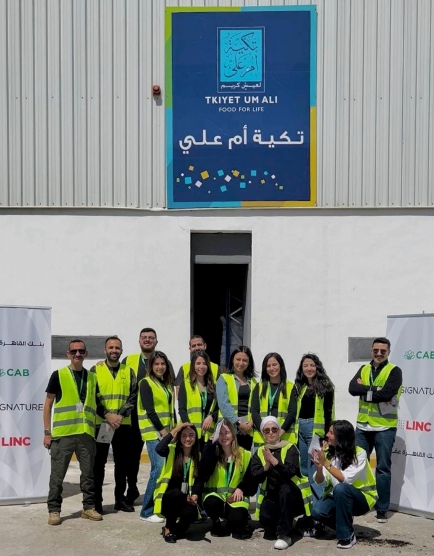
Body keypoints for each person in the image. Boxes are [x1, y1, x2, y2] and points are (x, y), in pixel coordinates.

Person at [43, 339, 102, 525]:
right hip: (63, 435)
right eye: (74, 351)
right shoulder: (58, 375)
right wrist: (47, 432)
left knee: (88, 475)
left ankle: (88, 508)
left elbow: (96, 405)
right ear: (68, 354)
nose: (78, 354)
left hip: (86, 434)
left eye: (81, 351)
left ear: (86, 354)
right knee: (57, 476)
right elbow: (48, 404)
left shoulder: (92, 377)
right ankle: (54, 510)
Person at [348, 337, 402, 523]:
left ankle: (382, 509)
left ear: (388, 352)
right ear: (371, 350)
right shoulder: (364, 368)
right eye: (376, 350)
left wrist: (364, 390)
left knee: (382, 468)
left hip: (384, 427)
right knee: (355, 464)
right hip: (363, 425)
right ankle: (357, 503)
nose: (379, 354)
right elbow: (352, 388)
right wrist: (374, 390)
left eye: (383, 351)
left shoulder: (394, 370)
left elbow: (387, 393)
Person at [311, 420, 378, 549]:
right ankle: (346, 526)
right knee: (317, 511)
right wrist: (319, 469)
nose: (327, 435)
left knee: (341, 489)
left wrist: (326, 464)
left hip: (362, 499)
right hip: (338, 495)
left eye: (331, 433)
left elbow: (345, 480)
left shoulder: (359, 453)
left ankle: (346, 536)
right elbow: (320, 482)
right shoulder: (328, 452)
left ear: (341, 437)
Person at [249, 416, 313, 550]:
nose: (271, 433)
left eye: (274, 429)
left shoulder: (290, 448)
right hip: (274, 497)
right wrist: (266, 466)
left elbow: (290, 471)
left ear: (279, 431)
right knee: (267, 527)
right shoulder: (260, 452)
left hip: (293, 497)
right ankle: (287, 523)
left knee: (286, 489)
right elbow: (255, 477)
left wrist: (274, 462)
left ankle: (285, 535)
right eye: (267, 431)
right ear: (263, 434)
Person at [92, 336, 138, 514]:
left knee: (122, 464)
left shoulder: (129, 371)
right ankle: (97, 502)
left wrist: (119, 416)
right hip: (102, 424)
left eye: (117, 348)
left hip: (122, 425)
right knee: (99, 464)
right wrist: (106, 414)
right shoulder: (95, 370)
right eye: (111, 347)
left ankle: (120, 499)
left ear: (121, 350)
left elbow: (133, 396)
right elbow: (91, 397)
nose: (114, 350)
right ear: (105, 350)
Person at [193, 420, 252, 540]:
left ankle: (232, 521)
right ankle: (216, 522)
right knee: (212, 503)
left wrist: (241, 488)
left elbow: (251, 478)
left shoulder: (244, 454)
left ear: (233, 434)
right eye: (220, 433)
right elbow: (202, 472)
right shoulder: (212, 453)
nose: (224, 437)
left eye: (227, 433)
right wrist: (210, 444)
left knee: (238, 518)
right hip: (216, 497)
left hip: (235, 498)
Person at [120, 327, 159, 506]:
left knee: (157, 459)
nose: (147, 340)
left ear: (156, 341)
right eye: (144, 337)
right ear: (139, 341)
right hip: (134, 419)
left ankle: (157, 492)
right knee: (132, 458)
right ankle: (132, 489)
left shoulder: (162, 361)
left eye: (151, 337)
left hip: (155, 419)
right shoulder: (129, 360)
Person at [138, 351, 176, 523]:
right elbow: (150, 410)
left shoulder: (165, 384)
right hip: (154, 433)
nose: (160, 367)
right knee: (158, 469)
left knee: (164, 471)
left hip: (166, 433)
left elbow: (170, 410)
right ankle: (146, 511)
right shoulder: (146, 383)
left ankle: (159, 506)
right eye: (156, 364)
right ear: (151, 366)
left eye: (163, 364)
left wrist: (174, 430)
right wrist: (162, 431)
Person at [294, 354, 335, 500]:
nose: (309, 368)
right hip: (300, 430)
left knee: (315, 466)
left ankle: (319, 503)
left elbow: (329, 412)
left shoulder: (326, 386)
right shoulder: (301, 386)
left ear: (317, 367)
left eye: (312, 365)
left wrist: (326, 436)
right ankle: (308, 502)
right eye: (305, 366)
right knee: (304, 467)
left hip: (315, 432)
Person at [154, 422, 201, 543]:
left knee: (190, 517)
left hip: (187, 499)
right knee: (175, 494)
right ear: (179, 437)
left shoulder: (198, 456)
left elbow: (199, 480)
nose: (188, 439)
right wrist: (176, 429)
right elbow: (158, 448)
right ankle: (168, 528)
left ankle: (175, 529)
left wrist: (194, 496)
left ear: (196, 437)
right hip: (169, 499)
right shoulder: (171, 451)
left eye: (191, 435)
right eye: (184, 435)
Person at [251, 353, 297, 449]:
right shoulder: (259, 387)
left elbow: (292, 413)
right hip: (262, 440)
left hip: (283, 439)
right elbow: (254, 412)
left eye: (274, 365)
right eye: (268, 366)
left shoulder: (290, 387)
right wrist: (265, 433)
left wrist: (278, 434)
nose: (272, 368)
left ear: (280, 365)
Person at [216, 346, 257, 451]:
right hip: (228, 427)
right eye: (238, 359)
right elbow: (223, 404)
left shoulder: (253, 381)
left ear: (249, 363)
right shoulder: (224, 378)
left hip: (248, 428)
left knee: (245, 458)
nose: (241, 363)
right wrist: (238, 423)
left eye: (245, 360)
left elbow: (256, 405)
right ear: (232, 360)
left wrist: (250, 424)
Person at [178, 350, 218, 449]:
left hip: (208, 434)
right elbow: (182, 409)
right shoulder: (185, 384)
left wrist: (212, 416)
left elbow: (218, 408)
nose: (201, 366)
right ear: (193, 365)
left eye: (204, 363)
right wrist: (188, 427)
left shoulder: (214, 385)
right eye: (198, 363)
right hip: (191, 434)